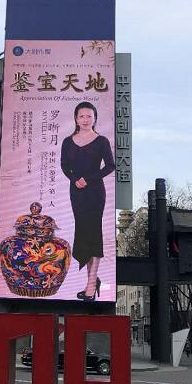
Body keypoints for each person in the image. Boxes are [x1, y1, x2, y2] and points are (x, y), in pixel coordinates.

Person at [60, 101, 114, 301]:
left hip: (95, 193)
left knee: (94, 233)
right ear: (76, 118)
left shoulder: (101, 141)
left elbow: (110, 166)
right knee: (82, 233)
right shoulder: (67, 141)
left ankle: (91, 284)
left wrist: (88, 179)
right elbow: (64, 165)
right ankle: (91, 280)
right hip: (76, 193)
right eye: (81, 116)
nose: (85, 119)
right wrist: (74, 179)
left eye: (89, 116)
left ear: (95, 118)